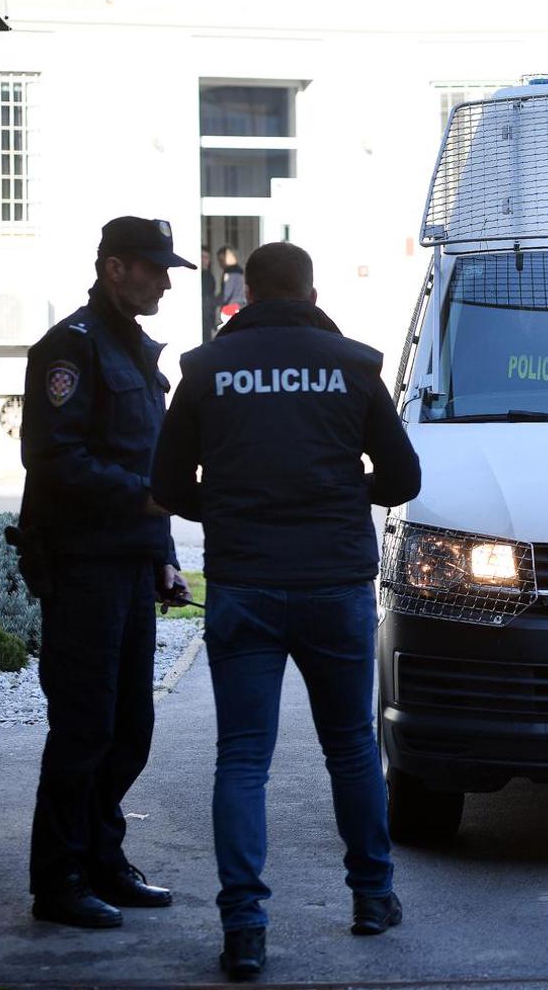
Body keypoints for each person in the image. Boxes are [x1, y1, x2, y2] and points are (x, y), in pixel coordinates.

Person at [151, 241, 421, 981]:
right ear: (311, 294)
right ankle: (373, 897)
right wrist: (344, 492)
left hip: (245, 584)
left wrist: (230, 505)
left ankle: (244, 928)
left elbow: (167, 485)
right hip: (333, 583)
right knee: (351, 749)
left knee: (242, 759)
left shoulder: (206, 370)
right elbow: (402, 478)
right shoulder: (354, 366)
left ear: (245, 291)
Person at [16, 216, 194, 929]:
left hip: (128, 564)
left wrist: (164, 556)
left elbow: (148, 461)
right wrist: (140, 501)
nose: (164, 283)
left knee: (129, 729)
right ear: (115, 268)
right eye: (154, 269)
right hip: (82, 565)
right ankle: (58, 879)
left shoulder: (135, 350)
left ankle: (101, 859)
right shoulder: (71, 347)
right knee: (84, 728)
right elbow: (52, 458)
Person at [216, 245, 246, 321]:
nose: (220, 264)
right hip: (241, 306)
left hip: (232, 309)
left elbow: (226, 294)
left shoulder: (230, 273)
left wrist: (214, 302)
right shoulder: (240, 272)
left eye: (222, 260)